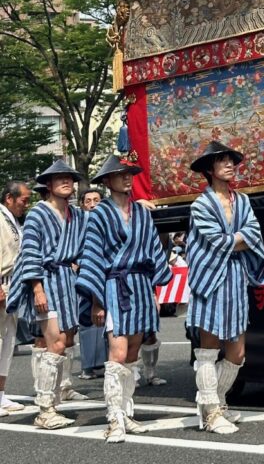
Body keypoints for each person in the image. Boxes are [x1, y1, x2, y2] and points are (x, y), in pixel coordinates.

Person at [76, 154, 172, 443]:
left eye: (130, 173)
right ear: (107, 180)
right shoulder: (99, 214)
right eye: (120, 174)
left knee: (132, 353)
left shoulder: (142, 213)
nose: (127, 177)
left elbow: (155, 250)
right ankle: (114, 418)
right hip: (114, 286)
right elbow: (92, 255)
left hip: (141, 284)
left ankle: (126, 412)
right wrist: (96, 301)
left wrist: (155, 290)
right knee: (116, 354)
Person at [187, 141, 264, 435]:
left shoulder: (243, 201)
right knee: (208, 349)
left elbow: (254, 234)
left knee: (237, 351)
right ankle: (210, 413)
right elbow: (218, 241)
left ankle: (216, 402)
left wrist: (235, 239)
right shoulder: (201, 204)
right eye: (222, 161)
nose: (229, 165)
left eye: (231, 160)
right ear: (209, 169)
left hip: (235, 277)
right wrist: (238, 239)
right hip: (210, 279)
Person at [6, 160, 87, 429]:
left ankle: (53, 398)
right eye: (59, 178)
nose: (66, 181)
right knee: (54, 343)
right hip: (46, 281)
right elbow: (29, 252)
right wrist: (37, 288)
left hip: (67, 280)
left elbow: (95, 229)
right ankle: (45, 408)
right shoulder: (38, 214)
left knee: (65, 341)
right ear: (49, 185)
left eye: (69, 178)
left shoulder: (76, 215)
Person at [0, 181, 31, 416]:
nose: (26, 205)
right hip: (2, 282)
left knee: (8, 342)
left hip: (13, 284)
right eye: (24, 200)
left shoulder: (13, 220)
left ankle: (1, 394)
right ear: (9, 198)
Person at [76, 188, 106, 380]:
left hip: (107, 273)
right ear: (82, 204)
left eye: (97, 200)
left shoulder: (108, 220)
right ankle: (88, 365)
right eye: (89, 201)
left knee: (107, 320)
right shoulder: (77, 222)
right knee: (86, 318)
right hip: (84, 274)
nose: (93, 204)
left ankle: (104, 362)